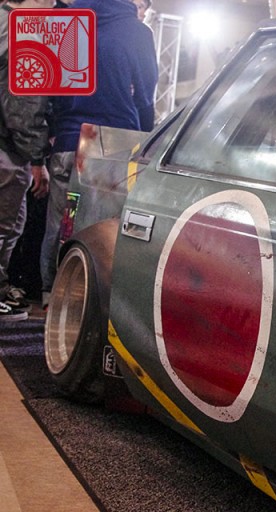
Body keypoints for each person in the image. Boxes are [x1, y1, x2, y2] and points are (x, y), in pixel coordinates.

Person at [40, 0, 158, 309]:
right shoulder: (137, 32)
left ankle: (50, 294)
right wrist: (145, 136)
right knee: (100, 227)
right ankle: (84, 302)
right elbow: (146, 95)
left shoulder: (69, 21)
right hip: (113, 141)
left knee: (59, 221)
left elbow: (47, 85)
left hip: (67, 136)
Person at [0, 0, 54, 321]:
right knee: (4, 226)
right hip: (7, 150)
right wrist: (37, 158)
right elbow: (25, 107)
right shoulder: (24, 31)